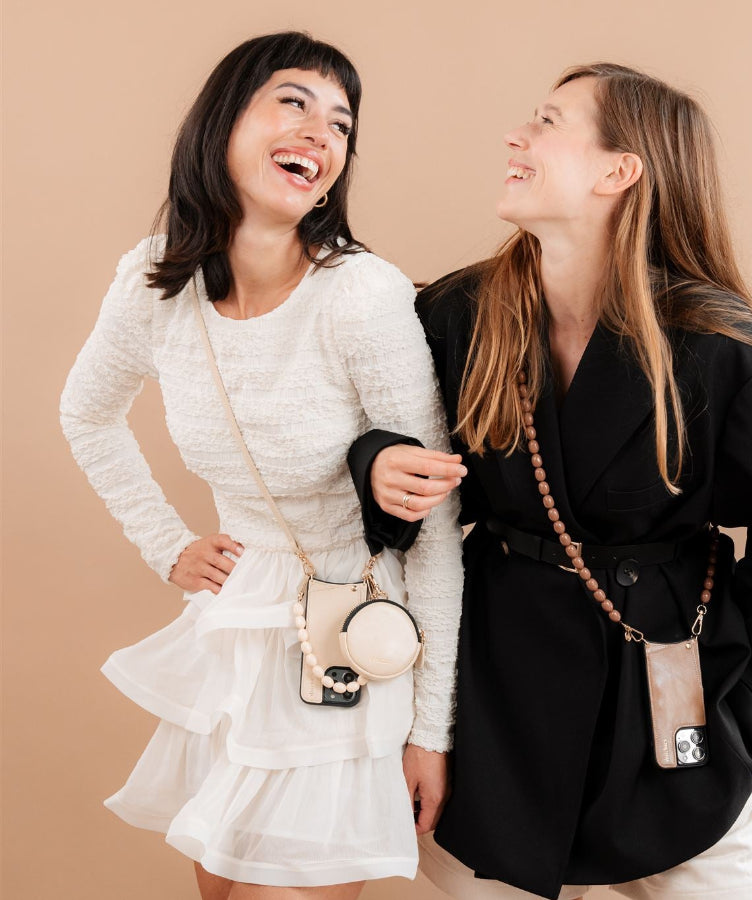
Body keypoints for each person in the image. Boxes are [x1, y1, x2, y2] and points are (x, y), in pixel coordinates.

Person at [347, 63, 752, 900]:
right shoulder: (457, 314)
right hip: (498, 707)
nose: (516, 136)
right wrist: (376, 464)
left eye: (548, 122)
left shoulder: (722, 347)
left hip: (673, 707)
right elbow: (398, 472)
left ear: (619, 170)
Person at [59, 32, 463, 900]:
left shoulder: (362, 295)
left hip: (350, 642)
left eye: (341, 124)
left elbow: (436, 525)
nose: (321, 133)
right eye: (294, 102)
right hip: (238, 629)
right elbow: (86, 413)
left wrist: (431, 730)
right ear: (223, 123)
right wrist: (166, 544)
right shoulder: (154, 281)